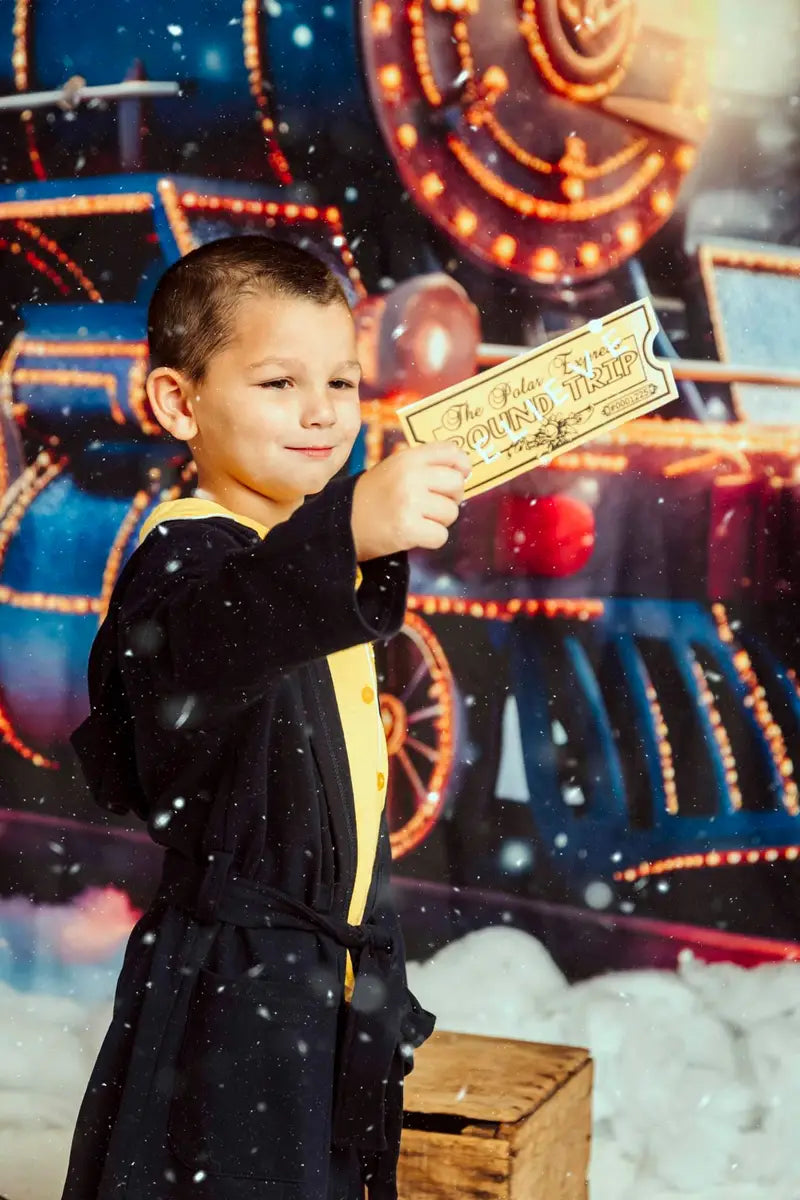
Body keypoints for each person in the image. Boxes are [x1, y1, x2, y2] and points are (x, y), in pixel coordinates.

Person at [60, 235, 471, 1200]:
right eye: (280, 382)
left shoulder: (291, 560)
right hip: (229, 989)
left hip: (316, 980)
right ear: (178, 402)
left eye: (342, 380)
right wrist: (350, 533)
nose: (324, 414)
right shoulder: (186, 562)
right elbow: (209, 639)